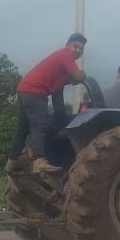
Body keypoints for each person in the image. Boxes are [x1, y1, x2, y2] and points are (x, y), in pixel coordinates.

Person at [7, 33, 88, 174]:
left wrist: (62, 123)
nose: (78, 50)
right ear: (67, 45)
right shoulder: (64, 55)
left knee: (23, 128)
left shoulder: (60, 72)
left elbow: (58, 99)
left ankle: (12, 161)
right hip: (35, 91)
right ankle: (38, 161)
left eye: (81, 49)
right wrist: (81, 75)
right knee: (40, 126)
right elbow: (78, 76)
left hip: (23, 90)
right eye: (76, 46)